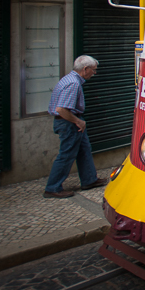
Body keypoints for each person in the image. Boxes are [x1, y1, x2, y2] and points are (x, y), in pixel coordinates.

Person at [43, 56, 107, 198]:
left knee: (84, 150)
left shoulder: (68, 79)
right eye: (93, 70)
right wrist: (78, 121)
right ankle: (52, 188)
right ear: (85, 69)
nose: (94, 73)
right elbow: (61, 109)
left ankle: (89, 179)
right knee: (66, 155)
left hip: (70, 121)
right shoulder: (73, 84)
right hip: (68, 123)